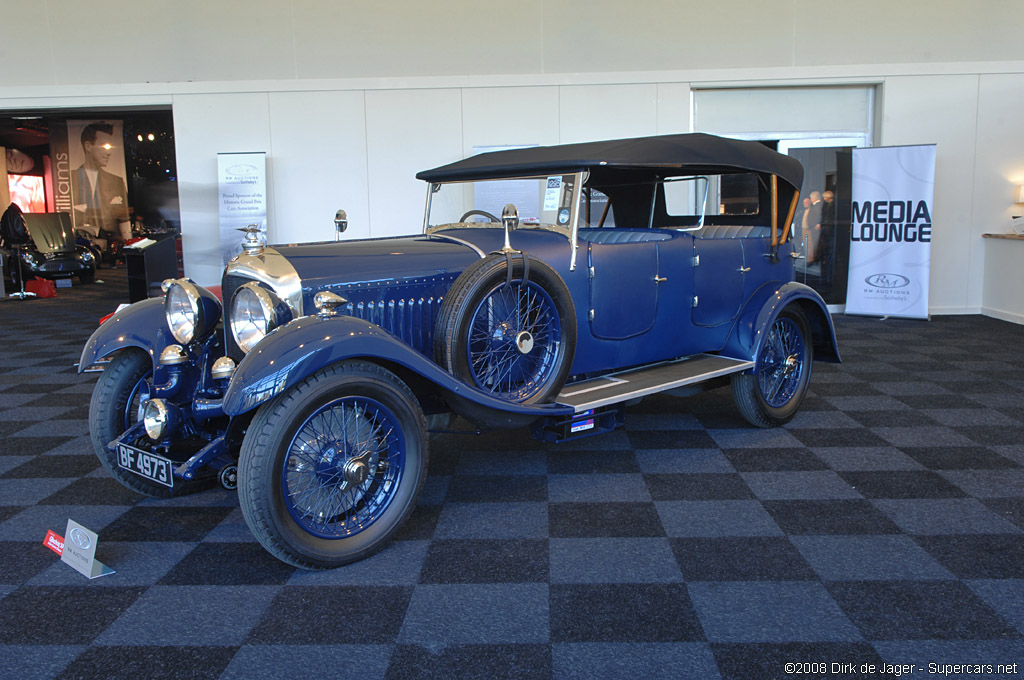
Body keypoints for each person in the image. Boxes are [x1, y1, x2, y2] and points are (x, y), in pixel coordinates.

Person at [73, 122, 131, 243]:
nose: (108, 152)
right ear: (88, 146)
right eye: (104, 146)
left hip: (112, 247)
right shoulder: (69, 180)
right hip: (82, 246)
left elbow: (124, 221)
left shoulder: (116, 181)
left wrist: (129, 247)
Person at [816, 190, 837, 287]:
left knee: (829, 256)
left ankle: (827, 279)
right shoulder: (826, 206)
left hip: (829, 233)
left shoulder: (833, 207)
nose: (824, 199)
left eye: (825, 197)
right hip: (825, 233)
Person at [804, 191, 823, 263]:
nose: (810, 200)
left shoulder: (818, 206)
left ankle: (815, 259)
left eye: (811, 198)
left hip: (815, 229)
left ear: (814, 198)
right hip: (813, 228)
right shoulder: (815, 206)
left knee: (815, 244)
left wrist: (818, 224)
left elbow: (819, 216)